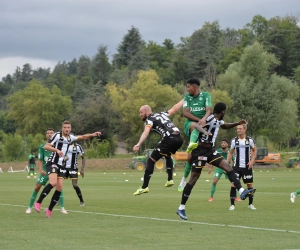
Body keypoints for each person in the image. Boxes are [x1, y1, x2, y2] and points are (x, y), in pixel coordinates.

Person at [176, 102, 256, 220]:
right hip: (200, 151)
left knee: (227, 167)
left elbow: (224, 125)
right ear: (223, 111)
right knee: (194, 179)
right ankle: (181, 208)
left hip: (211, 151)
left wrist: (237, 124)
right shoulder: (210, 117)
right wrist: (204, 132)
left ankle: (242, 190)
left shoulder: (218, 121)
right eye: (225, 111)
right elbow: (197, 125)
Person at [34, 121, 101, 218]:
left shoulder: (71, 138)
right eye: (65, 127)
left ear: (70, 129)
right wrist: (56, 150)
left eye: (68, 127)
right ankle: (38, 202)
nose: (66, 129)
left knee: (59, 188)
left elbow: (83, 137)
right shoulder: (57, 135)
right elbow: (46, 146)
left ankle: (49, 209)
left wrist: (92, 135)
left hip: (62, 165)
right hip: (53, 162)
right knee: (53, 183)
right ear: (62, 128)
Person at [133, 102, 184, 196]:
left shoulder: (149, 120)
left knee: (151, 161)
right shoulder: (161, 114)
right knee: (167, 154)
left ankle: (144, 187)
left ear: (147, 112)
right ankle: (170, 180)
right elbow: (174, 109)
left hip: (169, 138)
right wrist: (184, 99)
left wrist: (138, 144)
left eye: (141, 112)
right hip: (179, 138)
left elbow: (146, 132)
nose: (140, 115)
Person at [177, 78, 212, 192]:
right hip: (190, 125)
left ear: (195, 87)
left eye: (188, 87)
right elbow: (185, 113)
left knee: (190, 158)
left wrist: (204, 119)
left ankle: (183, 179)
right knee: (194, 125)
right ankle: (192, 143)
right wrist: (199, 120)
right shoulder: (187, 97)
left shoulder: (206, 95)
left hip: (202, 126)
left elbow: (208, 110)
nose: (187, 89)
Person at [25, 128, 68, 214]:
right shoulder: (42, 146)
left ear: (54, 135)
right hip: (45, 170)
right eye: (48, 133)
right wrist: (40, 169)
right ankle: (29, 207)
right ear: (46, 135)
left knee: (59, 187)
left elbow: (65, 156)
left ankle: (62, 208)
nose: (49, 134)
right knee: (37, 187)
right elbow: (40, 160)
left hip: (55, 168)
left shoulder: (60, 145)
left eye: (51, 133)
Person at [227, 124, 257, 210]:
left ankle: (250, 204)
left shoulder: (250, 140)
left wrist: (252, 161)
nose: (238, 130)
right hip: (236, 167)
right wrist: (226, 163)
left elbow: (255, 151)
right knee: (233, 184)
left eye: (240, 129)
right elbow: (231, 152)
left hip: (247, 167)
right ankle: (232, 205)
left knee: (250, 185)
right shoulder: (234, 140)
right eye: (237, 129)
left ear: (244, 130)